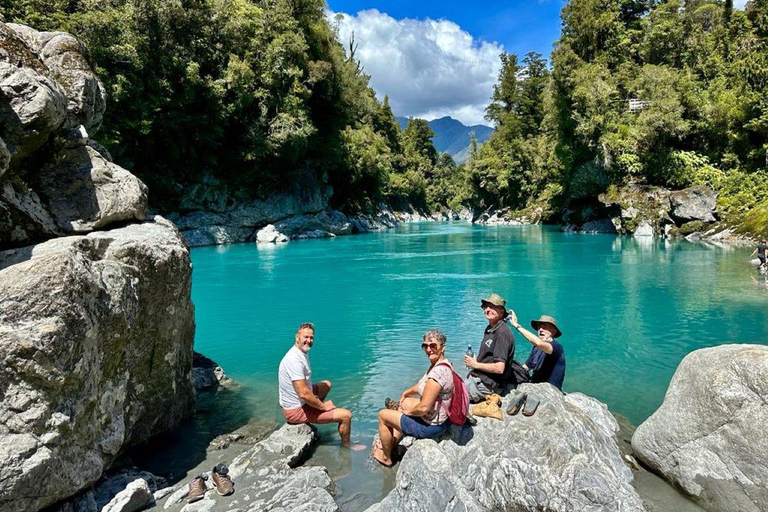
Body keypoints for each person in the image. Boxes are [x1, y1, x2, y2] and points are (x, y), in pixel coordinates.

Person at [373, 329, 455, 467]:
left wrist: (407, 413)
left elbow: (423, 408)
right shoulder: (443, 364)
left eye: (433, 345)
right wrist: (407, 392)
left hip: (431, 426)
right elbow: (423, 385)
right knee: (404, 403)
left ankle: (387, 457)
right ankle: (391, 442)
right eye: (425, 346)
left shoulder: (438, 373)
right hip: (440, 418)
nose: (428, 350)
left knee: (383, 415)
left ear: (443, 347)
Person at [278, 323, 364, 450]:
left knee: (326, 384)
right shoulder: (294, 360)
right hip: (295, 410)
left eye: (311, 338)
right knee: (346, 416)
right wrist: (323, 406)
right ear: (297, 337)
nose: (309, 341)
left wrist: (315, 400)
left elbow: (304, 391)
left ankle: (315, 412)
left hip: (300, 401)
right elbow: (303, 394)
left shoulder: (300, 352)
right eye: (305, 337)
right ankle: (346, 445)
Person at [464, 293, 515, 403]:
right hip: (480, 379)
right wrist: (476, 360)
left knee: (450, 394)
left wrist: (475, 364)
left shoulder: (502, 333)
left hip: (489, 385)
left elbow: (499, 368)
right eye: (486, 307)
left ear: (501, 312)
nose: (487, 309)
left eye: (492, 307)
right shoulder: (491, 328)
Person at [507, 312, 566, 391]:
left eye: (544, 327)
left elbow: (539, 343)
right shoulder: (536, 348)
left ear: (554, 331)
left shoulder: (556, 347)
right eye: (539, 327)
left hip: (550, 391)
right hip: (534, 385)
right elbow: (526, 367)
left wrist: (516, 325)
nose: (540, 330)